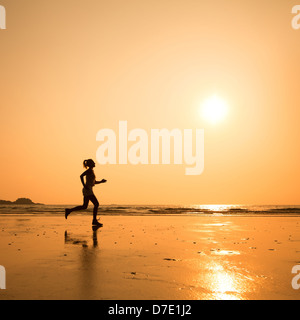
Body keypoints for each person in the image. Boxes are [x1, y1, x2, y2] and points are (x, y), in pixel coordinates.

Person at [65, 159, 107, 226]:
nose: (95, 163)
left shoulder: (92, 171)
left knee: (84, 206)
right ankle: (94, 220)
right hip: (87, 190)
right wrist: (84, 185)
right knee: (96, 204)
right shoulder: (89, 170)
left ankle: (69, 211)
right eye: (93, 162)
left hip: (88, 189)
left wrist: (101, 182)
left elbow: (94, 182)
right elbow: (81, 176)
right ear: (91, 164)